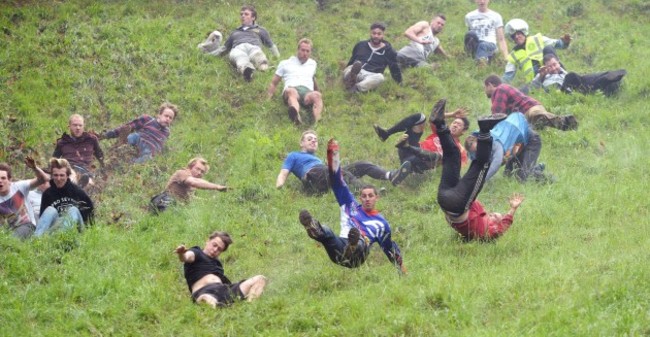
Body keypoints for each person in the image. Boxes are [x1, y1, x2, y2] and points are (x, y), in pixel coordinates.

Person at [298, 138, 407, 274]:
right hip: (340, 252)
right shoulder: (350, 205)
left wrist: (403, 272)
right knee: (328, 233)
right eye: (364, 196)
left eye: (371, 196)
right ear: (360, 197)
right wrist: (333, 155)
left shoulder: (381, 223)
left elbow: (390, 249)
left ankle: (353, 246)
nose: (367, 199)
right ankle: (312, 227)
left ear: (376, 198)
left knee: (360, 240)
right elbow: (337, 181)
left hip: (359, 255)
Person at [431, 99, 524, 241]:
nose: (492, 215)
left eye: (494, 217)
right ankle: (439, 123)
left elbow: (502, 228)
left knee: (482, 165)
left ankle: (485, 130)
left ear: (495, 224)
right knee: (453, 155)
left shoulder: (488, 232)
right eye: (493, 214)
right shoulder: (479, 221)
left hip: (456, 205)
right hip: (446, 197)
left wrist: (512, 210)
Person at [276, 130, 411, 194]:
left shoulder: (316, 158)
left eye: (315, 139)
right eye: (309, 139)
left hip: (325, 172)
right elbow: (283, 173)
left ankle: (391, 176)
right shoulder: (294, 155)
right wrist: (279, 187)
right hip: (313, 177)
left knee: (362, 165)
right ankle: (369, 192)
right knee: (339, 171)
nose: (313, 141)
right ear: (301, 143)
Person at [373, 101, 469, 180]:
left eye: (459, 125)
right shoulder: (442, 132)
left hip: (421, 163)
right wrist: (451, 114)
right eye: (454, 122)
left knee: (439, 157)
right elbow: (434, 118)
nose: (455, 125)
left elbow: (460, 169)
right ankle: (386, 133)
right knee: (420, 117)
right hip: (410, 151)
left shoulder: (460, 149)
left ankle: (401, 171)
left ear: (464, 131)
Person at [175, 231, 267, 308]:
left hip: (224, 290)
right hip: (204, 291)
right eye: (214, 245)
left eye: (219, 249)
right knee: (206, 299)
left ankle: (249, 307)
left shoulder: (218, 264)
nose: (215, 250)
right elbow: (187, 257)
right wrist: (182, 253)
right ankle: (215, 306)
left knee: (260, 279)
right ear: (207, 241)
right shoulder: (197, 252)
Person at [465, 112, 547, 183]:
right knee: (508, 175)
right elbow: (477, 164)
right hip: (517, 143)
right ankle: (536, 167)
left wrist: (481, 181)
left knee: (523, 176)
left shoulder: (496, 143)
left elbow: (496, 164)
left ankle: (550, 179)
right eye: (475, 151)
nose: (478, 151)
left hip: (531, 140)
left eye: (478, 149)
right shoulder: (477, 143)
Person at [484, 74, 577, 130]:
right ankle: (561, 124)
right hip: (525, 116)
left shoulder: (500, 89)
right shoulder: (503, 89)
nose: (485, 90)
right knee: (534, 126)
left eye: (485, 87)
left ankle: (567, 122)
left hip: (529, 109)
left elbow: (497, 114)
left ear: (490, 85)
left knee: (536, 116)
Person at [213, 5, 280, 82]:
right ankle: (247, 71)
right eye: (241, 14)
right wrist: (210, 55)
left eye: (246, 14)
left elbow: (271, 45)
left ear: (253, 17)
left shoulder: (260, 30)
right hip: (238, 48)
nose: (243, 16)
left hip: (254, 47)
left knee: (257, 54)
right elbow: (224, 48)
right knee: (240, 57)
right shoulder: (235, 32)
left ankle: (262, 65)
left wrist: (278, 58)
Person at [267, 38, 323, 125]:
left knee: (317, 95)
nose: (305, 53)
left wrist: (317, 92)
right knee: (291, 92)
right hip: (292, 88)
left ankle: (317, 121)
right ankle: (295, 115)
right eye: (303, 50)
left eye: (308, 51)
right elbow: (274, 82)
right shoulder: (285, 63)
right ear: (298, 50)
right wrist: (268, 97)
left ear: (310, 52)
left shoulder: (313, 64)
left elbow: (312, 78)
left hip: (307, 91)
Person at [34, 158, 94, 237]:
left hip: (76, 231)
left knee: (73, 210)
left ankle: (63, 239)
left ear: (67, 176)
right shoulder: (47, 194)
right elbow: (44, 219)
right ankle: (36, 241)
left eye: (62, 175)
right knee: (50, 210)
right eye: (56, 175)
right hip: (55, 230)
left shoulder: (77, 191)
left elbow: (90, 215)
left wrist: (89, 236)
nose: (59, 179)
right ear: (52, 176)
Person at [101, 102, 177, 163]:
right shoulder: (148, 119)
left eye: (170, 118)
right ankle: (118, 148)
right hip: (140, 139)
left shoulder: (167, 132)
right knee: (132, 136)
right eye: (166, 116)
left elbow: (163, 146)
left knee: (148, 158)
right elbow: (130, 126)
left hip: (149, 150)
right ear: (159, 115)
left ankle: (129, 163)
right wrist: (109, 134)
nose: (168, 119)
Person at [502, 19, 571, 84]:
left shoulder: (537, 39)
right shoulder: (513, 55)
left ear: (523, 32)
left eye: (518, 33)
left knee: (548, 48)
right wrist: (498, 86)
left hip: (550, 70)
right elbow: (508, 76)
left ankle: (564, 76)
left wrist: (565, 42)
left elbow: (558, 44)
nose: (516, 37)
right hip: (535, 81)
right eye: (514, 36)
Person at [150, 157, 228, 213]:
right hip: (165, 204)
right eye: (197, 169)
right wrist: (217, 187)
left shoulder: (192, 186)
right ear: (190, 167)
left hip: (175, 207)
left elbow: (190, 198)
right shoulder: (182, 173)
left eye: (202, 172)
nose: (199, 173)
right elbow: (193, 182)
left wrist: (209, 202)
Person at [343, 22, 402, 93]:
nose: (376, 36)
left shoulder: (389, 51)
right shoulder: (360, 45)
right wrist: (348, 69)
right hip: (355, 71)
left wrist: (399, 83)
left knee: (380, 77)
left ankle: (356, 88)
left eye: (379, 34)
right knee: (350, 68)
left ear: (383, 35)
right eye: (374, 33)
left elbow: (394, 68)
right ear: (370, 33)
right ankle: (350, 78)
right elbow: (352, 60)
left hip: (370, 75)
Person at [531, 54, 627, 96]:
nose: (553, 68)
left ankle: (607, 75)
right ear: (546, 68)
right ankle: (606, 79)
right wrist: (541, 76)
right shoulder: (543, 76)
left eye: (554, 64)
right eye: (550, 67)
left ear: (559, 63)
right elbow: (533, 86)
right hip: (564, 90)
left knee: (587, 78)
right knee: (571, 76)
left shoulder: (562, 71)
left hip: (578, 83)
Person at [0, 157, 49, 239]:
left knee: (12, 239)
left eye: (3, 178)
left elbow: (44, 179)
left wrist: (34, 168)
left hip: (27, 225)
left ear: (10, 180)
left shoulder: (19, 186)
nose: (0, 181)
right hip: (7, 230)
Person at [53, 114, 105, 187]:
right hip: (69, 169)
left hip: (85, 170)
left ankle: (80, 188)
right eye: (75, 125)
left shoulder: (91, 139)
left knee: (90, 184)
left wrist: (104, 169)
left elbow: (100, 156)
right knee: (71, 177)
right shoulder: (62, 142)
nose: (78, 128)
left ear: (84, 126)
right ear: (69, 126)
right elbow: (54, 161)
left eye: (80, 125)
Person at [464, 0, 508, 65]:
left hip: (490, 44)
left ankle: (481, 66)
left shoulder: (496, 16)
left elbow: (501, 39)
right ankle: (472, 57)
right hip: (476, 43)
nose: (482, 1)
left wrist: (506, 57)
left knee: (482, 45)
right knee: (470, 34)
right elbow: (470, 34)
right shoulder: (469, 16)